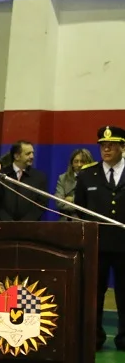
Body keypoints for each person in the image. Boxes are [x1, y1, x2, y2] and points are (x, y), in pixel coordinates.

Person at [74, 126, 125, 351]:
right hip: (98, 244)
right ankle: (94, 337)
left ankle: (124, 338)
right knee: (94, 293)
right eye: (103, 145)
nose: (106, 149)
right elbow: (80, 208)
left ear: (122, 146)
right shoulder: (87, 174)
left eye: (112, 145)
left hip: (124, 245)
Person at [0, 140, 48, 221]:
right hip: (4, 226)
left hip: (29, 227)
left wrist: (24, 223)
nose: (32, 156)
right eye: (28, 154)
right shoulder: (1, 175)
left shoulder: (39, 177)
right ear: (17, 156)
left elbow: (41, 204)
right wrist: (8, 222)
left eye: (32, 153)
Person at [55, 148, 93, 218]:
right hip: (67, 219)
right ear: (72, 164)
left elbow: (94, 203)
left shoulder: (94, 178)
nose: (79, 165)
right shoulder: (63, 178)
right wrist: (83, 205)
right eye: (76, 161)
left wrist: (72, 199)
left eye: (82, 161)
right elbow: (59, 203)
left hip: (88, 219)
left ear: (89, 163)